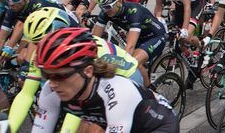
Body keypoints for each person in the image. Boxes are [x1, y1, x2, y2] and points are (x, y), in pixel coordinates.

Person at [8, 8, 143, 133]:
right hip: (88, 89)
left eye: (47, 41)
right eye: (37, 43)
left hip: (125, 77)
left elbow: (79, 102)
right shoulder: (42, 55)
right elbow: (26, 94)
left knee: (89, 129)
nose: (41, 49)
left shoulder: (85, 52)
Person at [32, 28, 179, 133]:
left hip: (158, 125)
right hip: (117, 121)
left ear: (88, 71)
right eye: (47, 75)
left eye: (60, 76)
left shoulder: (118, 93)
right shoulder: (51, 91)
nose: (52, 83)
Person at [92, 0, 167, 87]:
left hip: (156, 36)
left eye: (108, 7)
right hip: (140, 37)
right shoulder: (106, 11)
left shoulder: (134, 11)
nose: (105, 10)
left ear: (118, 1)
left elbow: (130, 48)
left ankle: (149, 94)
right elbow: (93, 40)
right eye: (102, 7)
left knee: (134, 63)